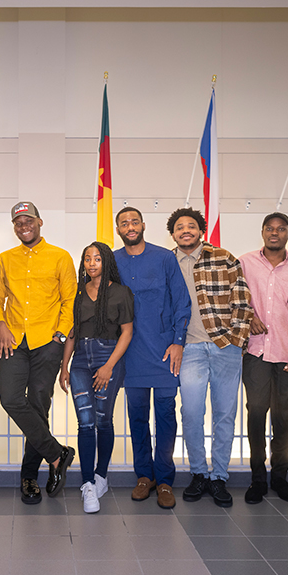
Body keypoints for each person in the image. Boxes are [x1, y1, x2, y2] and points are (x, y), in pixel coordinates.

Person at [0, 201, 77, 505]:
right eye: (18, 222)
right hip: (12, 340)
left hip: (47, 342)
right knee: (11, 399)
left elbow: (70, 300)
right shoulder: (5, 259)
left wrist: (61, 335)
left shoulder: (60, 257)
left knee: (38, 406)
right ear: (14, 227)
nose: (23, 225)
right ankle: (57, 454)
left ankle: (29, 477)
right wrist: (0, 323)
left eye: (28, 220)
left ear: (40, 222)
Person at [169, 208, 253, 509]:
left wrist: (235, 340)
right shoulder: (168, 262)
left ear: (200, 230)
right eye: (180, 227)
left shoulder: (224, 257)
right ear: (173, 233)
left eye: (191, 226)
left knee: (224, 415)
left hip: (224, 347)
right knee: (191, 414)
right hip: (188, 349)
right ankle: (198, 473)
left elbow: (242, 300)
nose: (185, 231)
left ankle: (219, 476)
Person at [114, 207, 191, 509]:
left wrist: (178, 342)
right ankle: (144, 477)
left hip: (163, 352)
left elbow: (182, 303)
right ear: (118, 229)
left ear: (143, 225)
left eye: (134, 221)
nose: (130, 226)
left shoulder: (164, 258)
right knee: (136, 417)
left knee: (166, 416)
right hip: (129, 353)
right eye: (124, 223)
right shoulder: (113, 261)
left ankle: (166, 480)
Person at [239, 212, 288, 504]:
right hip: (256, 352)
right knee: (256, 414)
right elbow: (234, 300)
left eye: (281, 229)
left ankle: (280, 477)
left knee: (285, 418)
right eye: (270, 228)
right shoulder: (244, 263)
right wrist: (249, 317)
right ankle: (257, 478)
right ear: (262, 232)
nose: (274, 233)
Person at [59, 241, 133, 513]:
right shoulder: (77, 293)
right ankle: (88, 483)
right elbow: (72, 333)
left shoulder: (121, 293)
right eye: (87, 258)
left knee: (103, 419)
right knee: (85, 421)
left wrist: (109, 366)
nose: (91, 263)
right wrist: (64, 366)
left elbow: (127, 332)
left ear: (107, 263)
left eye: (97, 258)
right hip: (80, 360)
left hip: (108, 357)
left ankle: (101, 475)